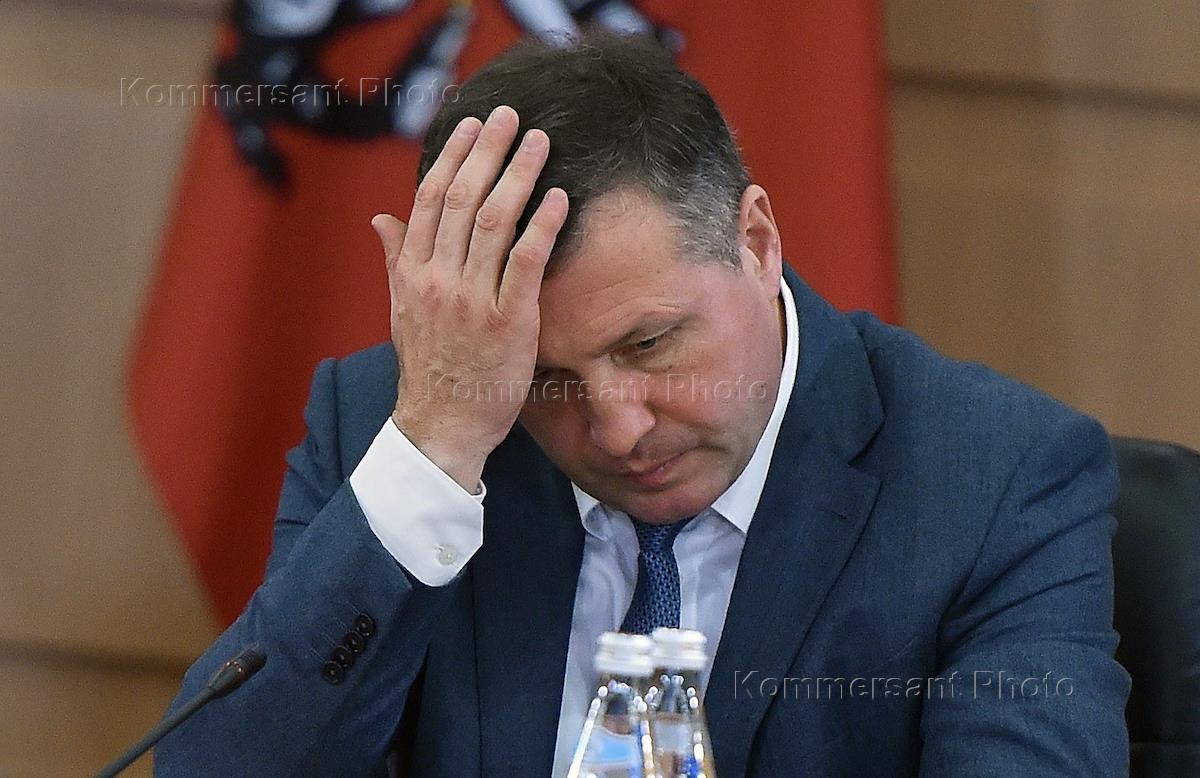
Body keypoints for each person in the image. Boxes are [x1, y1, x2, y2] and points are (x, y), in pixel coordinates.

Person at [155, 33, 1130, 776]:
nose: (619, 430)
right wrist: (436, 450)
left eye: (649, 344)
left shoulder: (992, 477)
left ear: (756, 242)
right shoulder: (402, 425)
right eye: (545, 378)